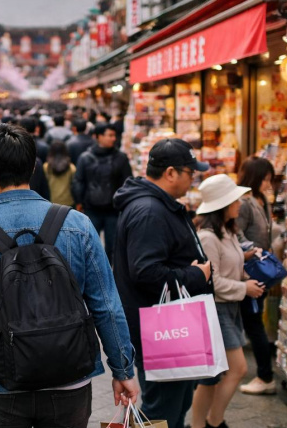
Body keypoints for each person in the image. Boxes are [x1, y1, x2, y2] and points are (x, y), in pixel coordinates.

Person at [0, 123, 139, 428]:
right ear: (33, 167)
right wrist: (123, 370)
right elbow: (107, 305)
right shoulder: (78, 225)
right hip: (70, 377)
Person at [112, 138, 212, 428]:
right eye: (190, 172)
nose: (193, 179)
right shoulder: (150, 211)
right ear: (171, 173)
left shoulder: (155, 205)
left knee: (174, 405)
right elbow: (146, 272)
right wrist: (197, 275)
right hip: (162, 330)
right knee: (163, 410)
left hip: (167, 326)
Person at [191, 175, 265, 428]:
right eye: (234, 199)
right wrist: (244, 287)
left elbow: (229, 268)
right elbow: (213, 281)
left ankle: (203, 423)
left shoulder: (228, 232)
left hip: (229, 308)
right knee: (237, 369)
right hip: (217, 309)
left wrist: (248, 274)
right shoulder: (209, 237)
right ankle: (214, 421)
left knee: (214, 375)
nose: (240, 204)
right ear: (223, 204)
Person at [235, 157, 278, 395]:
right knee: (252, 323)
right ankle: (264, 375)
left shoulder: (261, 201)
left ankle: (264, 375)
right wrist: (254, 250)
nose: (268, 184)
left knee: (252, 322)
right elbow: (237, 234)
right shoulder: (245, 203)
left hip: (260, 270)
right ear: (255, 177)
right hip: (248, 270)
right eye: (266, 179)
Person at [73, 123, 132, 262]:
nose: (113, 138)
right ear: (98, 137)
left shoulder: (121, 158)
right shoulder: (85, 157)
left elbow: (127, 182)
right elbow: (79, 181)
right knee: (90, 245)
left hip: (113, 209)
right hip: (91, 208)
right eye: (109, 135)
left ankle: (109, 273)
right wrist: (79, 202)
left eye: (114, 135)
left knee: (113, 246)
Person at [44, 140, 76, 207]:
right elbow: (74, 186)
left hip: (51, 201)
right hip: (68, 202)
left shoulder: (46, 167)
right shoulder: (71, 168)